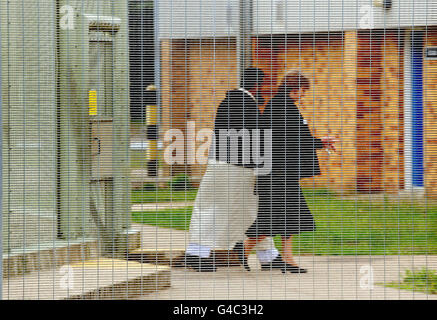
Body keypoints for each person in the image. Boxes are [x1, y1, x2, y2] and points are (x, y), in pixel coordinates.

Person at [181, 67, 280, 272]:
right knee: (218, 210)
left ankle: (268, 255)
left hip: (223, 166)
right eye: (263, 85)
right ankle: (195, 254)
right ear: (256, 85)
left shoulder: (232, 101)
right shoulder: (245, 105)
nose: (265, 90)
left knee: (250, 211)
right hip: (236, 169)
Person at [242, 71, 337, 273]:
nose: (303, 96)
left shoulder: (281, 106)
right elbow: (291, 140)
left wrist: (319, 142)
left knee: (289, 215)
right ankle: (242, 252)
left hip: (281, 170)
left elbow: (294, 137)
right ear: (295, 89)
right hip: (276, 171)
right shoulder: (282, 107)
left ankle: (287, 258)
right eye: (302, 91)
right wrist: (320, 142)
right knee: (273, 216)